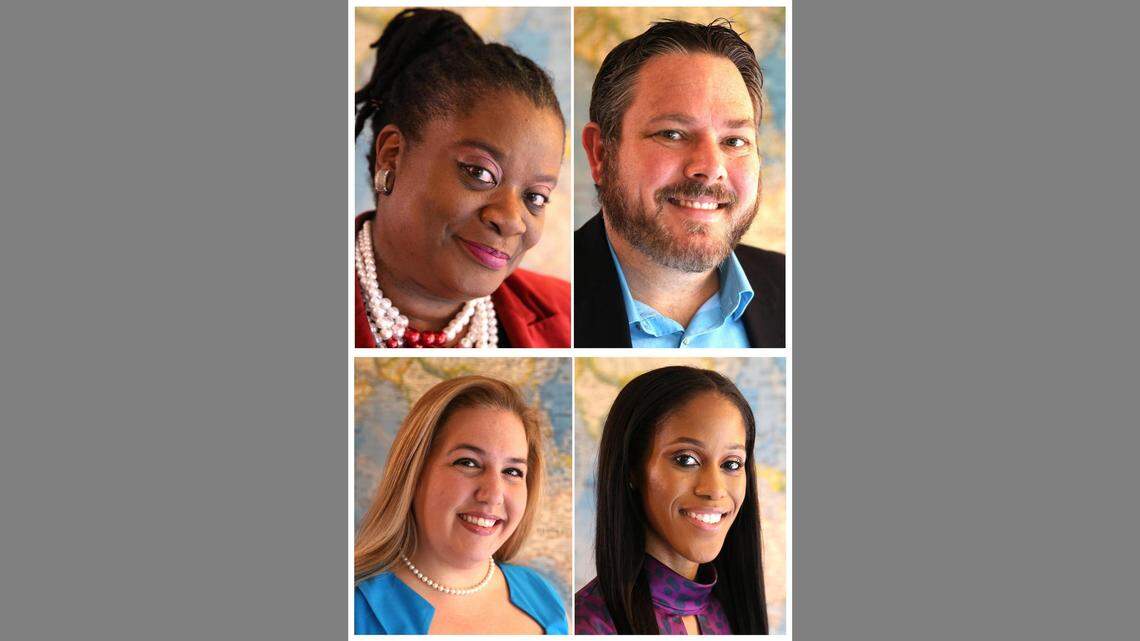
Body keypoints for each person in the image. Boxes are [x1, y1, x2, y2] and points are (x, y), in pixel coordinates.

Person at [354, 9, 570, 348]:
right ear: (392, 155)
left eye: (535, 197)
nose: (511, 220)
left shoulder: (570, 317)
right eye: (480, 173)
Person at [576, 20, 785, 348]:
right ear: (601, 153)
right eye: (672, 134)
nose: (711, 168)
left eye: (734, 141)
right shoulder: (548, 299)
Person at [355, 376, 567, 634]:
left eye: (512, 471)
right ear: (415, 472)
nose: (493, 495)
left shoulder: (544, 598)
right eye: (468, 463)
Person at [575, 366, 768, 634]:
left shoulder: (734, 612)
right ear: (632, 468)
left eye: (731, 464)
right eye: (686, 460)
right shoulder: (588, 626)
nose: (715, 490)